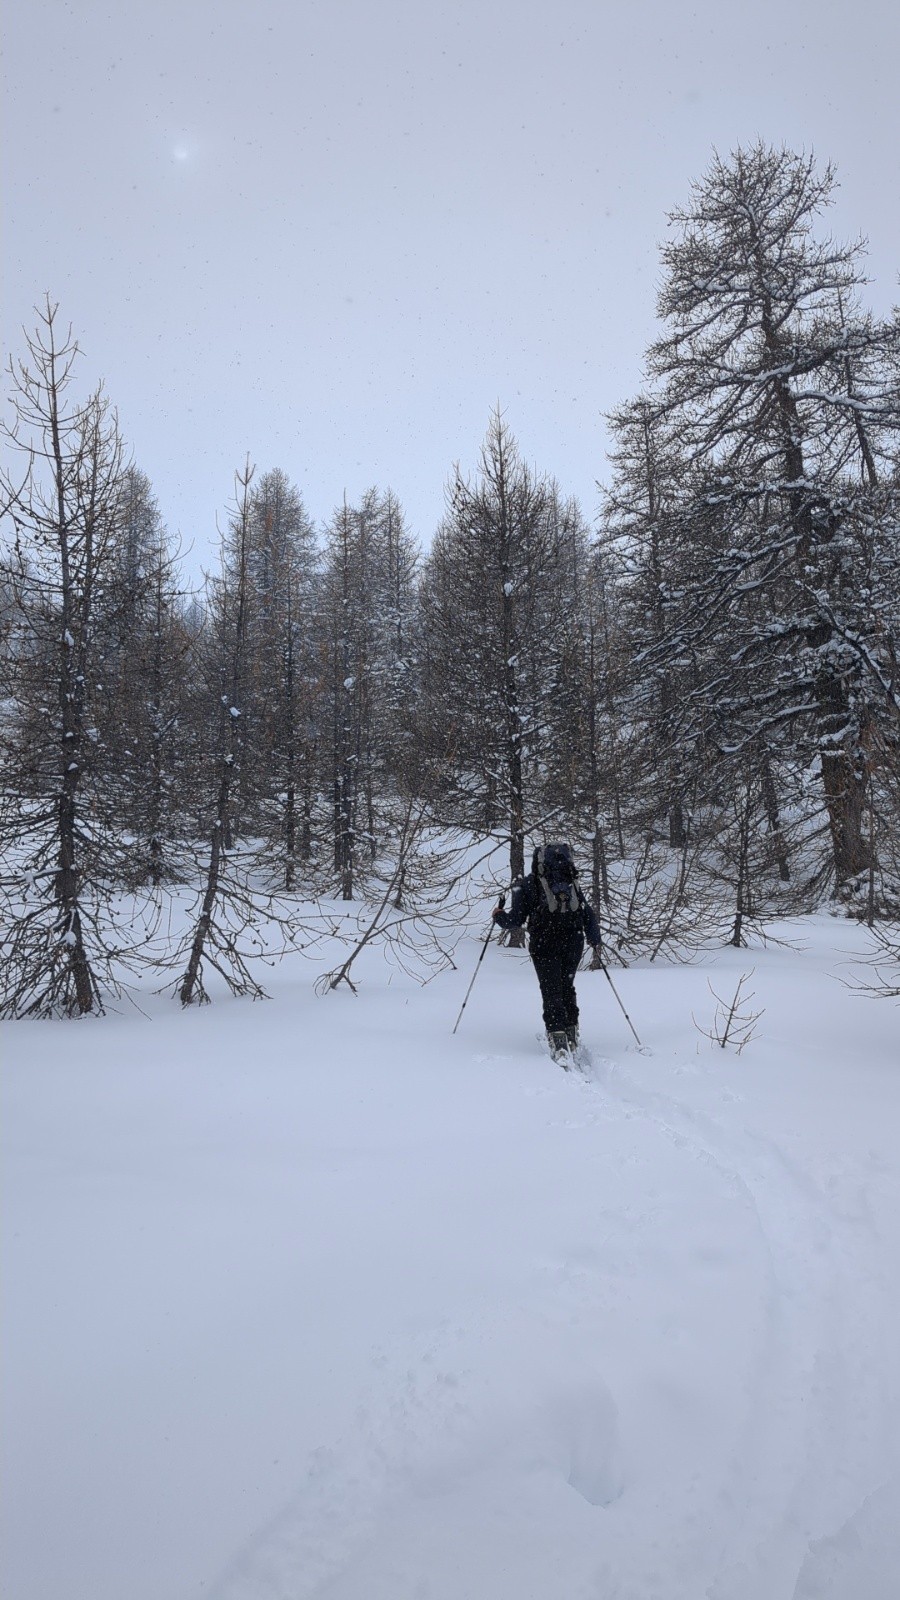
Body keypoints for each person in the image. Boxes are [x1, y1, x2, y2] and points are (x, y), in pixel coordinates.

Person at [492, 842, 602, 1060]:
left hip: (545, 942)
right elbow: (587, 912)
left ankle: (557, 1035)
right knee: (567, 985)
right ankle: (571, 1030)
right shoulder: (571, 881)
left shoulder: (527, 884)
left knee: (551, 988)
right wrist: (594, 938)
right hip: (573, 940)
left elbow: (516, 919)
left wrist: (498, 915)